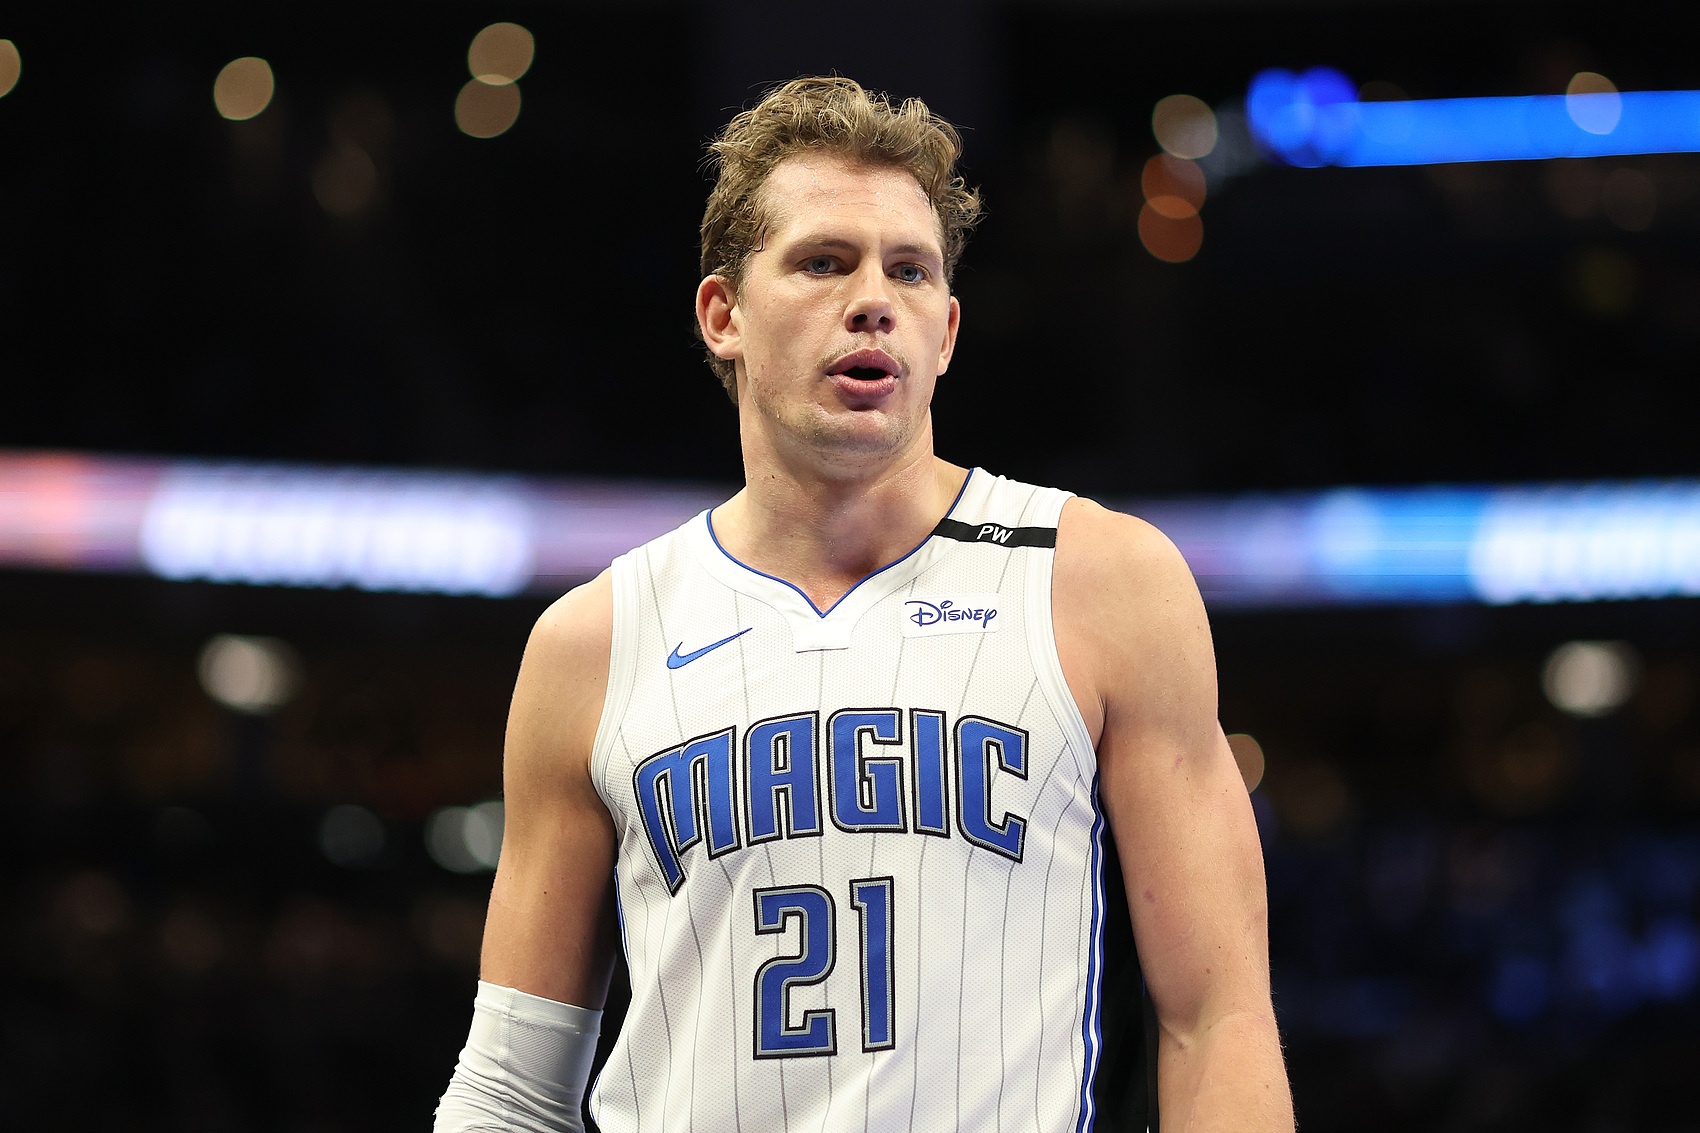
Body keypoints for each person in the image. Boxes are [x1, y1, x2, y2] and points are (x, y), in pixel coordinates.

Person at [435, 76, 1293, 1133]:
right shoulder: (592, 640)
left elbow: (1217, 1020)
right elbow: (511, 1088)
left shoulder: (1102, 580)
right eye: (823, 261)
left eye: (910, 270)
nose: (874, 298)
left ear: (946, 331)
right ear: (723, 315)